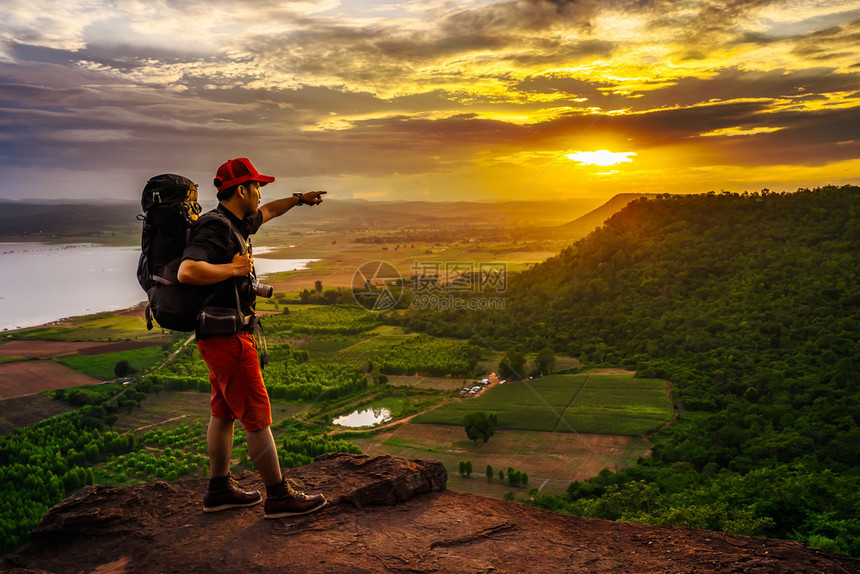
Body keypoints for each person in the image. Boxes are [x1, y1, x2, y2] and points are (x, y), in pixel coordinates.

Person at [177, 157, 327, 518]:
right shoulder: (215, 227)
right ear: (242, 190)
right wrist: (233, 268)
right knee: (257, 417)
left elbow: (271, 211)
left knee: (223, 412)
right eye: (257, 187)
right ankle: (278, 496)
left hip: (218, 336)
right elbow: (187, 270)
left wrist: (299, 199)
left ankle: (218, 490)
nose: (261, 194)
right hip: (228, 338)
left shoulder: (237, 222)